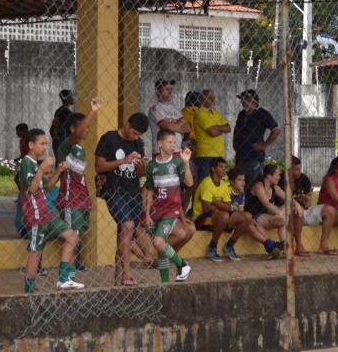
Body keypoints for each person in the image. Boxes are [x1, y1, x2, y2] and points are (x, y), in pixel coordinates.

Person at [18, 129, 84, 291]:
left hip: (45, 214)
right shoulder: (27, 163)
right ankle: (29, 289)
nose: (45, 147)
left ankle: (64, 278)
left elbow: (46, 186)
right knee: (35, 251)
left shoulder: (35, 164)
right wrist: (42, 168)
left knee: (71, 236)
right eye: (42, 144)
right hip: (34, 216)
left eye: (46, 143)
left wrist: (58, 171)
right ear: (31, 145)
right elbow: (32, 189)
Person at [96, 112, 157, 287]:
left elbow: (140, 173)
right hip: (113, 190)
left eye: (139, 135)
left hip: (132, 190)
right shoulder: (109, 138)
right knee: (128, 225)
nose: (136, 138)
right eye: (135, 133)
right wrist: (123, 160)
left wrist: (140, 165)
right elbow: (98, 166)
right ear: (127, 125)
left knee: (128, 231)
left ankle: (119, 279)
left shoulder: (138, 143)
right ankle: (128, 275)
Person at [55, 97, 104, 272]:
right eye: (83, 126)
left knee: (80, 232)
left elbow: (81, 178)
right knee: (72, 235)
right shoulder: (66, 147)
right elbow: (76, 134)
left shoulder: (81, 150)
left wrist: (88, 198)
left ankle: (74, 266)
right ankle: (67, 271)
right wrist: (92, 112)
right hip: (69, 201)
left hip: (81, 200)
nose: (86, 130)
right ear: (72, 129)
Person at [142, 129, 195, 283]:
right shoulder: (152, 165)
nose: (173, 145)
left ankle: (183, 265)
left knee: (158, 242)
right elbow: (150, 191)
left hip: (171, 211)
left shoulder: (177, 162)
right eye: (170, 142)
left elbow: (189, 183)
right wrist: (147, 214)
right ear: (160, 144)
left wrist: (186, 162)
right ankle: (165, 284)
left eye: (174, 142)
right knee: (161, 249)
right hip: (156, 211)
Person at [193, 158, 264, 262]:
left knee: (247, 216)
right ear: (213, 169)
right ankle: (212, 246)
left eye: (225, 167)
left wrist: (215, 202)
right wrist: (221, 205)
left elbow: (229, 206)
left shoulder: (223, 184)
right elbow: (207, 209)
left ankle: (230, 245)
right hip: (202, 219)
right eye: (221, 167)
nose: (224, 170)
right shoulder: (206, 183)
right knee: (224, 215)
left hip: (219, 216)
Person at [233, 89, 279, 189]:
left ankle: (250, 204)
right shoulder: (242, 114)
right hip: (240, 156)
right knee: (238, 185)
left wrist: (264, 145)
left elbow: (276, 130)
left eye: (243, 99)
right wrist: (234, 141)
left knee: (252, 185)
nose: (241, 102)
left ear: (251, 100)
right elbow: (237, 129)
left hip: (254, 157)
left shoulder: (262, 113)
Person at [246, 163, 289, 258]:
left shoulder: (274, 188)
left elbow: (288, 198)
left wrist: (297, 205)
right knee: (282, 220)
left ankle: (285, 250)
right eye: (277, 174)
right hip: (254, 215)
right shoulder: (258, 185)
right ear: (269, 176)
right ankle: (273, 248)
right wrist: (279, 213)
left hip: (267, 215)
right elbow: (266, 203)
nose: (279, 177)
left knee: (284, 214)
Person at [191, 89, 230, 183]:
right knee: (205, 182)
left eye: (213, 98)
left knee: (217, 182)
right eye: (209, 98)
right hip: (206, 154)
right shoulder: (200, 113)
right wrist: (221, 128)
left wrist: (216, 127)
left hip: (218, 153)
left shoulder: (216, 113)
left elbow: (228, 128)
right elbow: (213, 133)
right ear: (202, 100)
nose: (212, 100)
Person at [149, 79, 192, 150]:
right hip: (161, 151)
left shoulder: (175, 109)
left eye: (171, 89)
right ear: (158, 91)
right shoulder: (155, 109)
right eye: (167, 89)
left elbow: (188, 128)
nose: (170, 92)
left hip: (177, 150)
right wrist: (179, 123)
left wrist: (172, 125)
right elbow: (169, 127)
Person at [50, 89, 75, 157]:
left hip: (56, 140)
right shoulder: (66, 112)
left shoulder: (59, 110)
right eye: (71, 97)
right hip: (62, 140)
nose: (73, 98)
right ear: (68, 98)